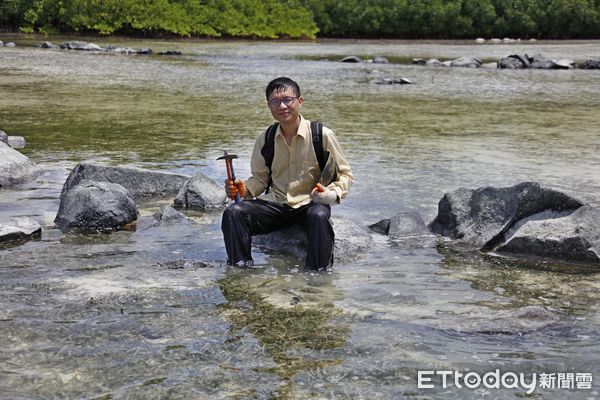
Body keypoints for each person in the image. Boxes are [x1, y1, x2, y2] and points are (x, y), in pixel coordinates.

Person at [221, 77, 353, 270]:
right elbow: (260, 179)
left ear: (300, 101)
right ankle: (240, 270)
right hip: (276, 205)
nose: (282, 106)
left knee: (319, 217)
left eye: (288, 100)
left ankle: (318, 278)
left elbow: (345, 174)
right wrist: (244, 189)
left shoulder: (322, 135)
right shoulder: (265, 139)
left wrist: (331, 194)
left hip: (309, 205)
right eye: (275, 101)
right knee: (234, 213)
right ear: (269, 106)